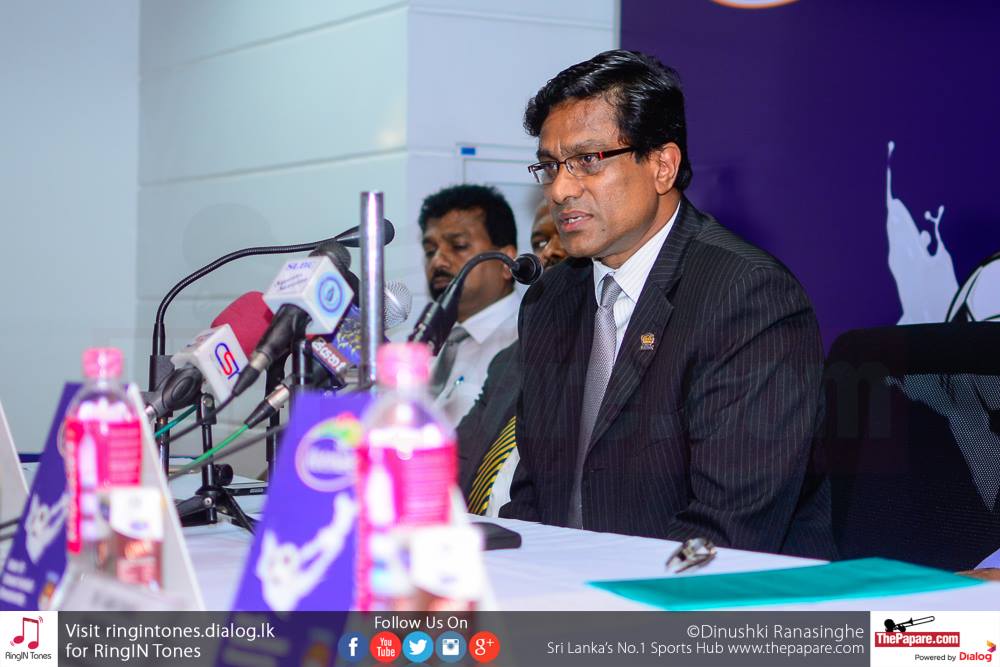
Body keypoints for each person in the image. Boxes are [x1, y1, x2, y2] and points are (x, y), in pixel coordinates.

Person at [502, 50, 834, 558]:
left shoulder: (748, 295)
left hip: (705, 594)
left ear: (662, 166)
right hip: (561, 586)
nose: (561, 189)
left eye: (588, 160)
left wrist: (592, 594)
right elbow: (534, 497)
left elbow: (727, 532)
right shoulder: (550, 299)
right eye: (550, 166)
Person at [459, 204, 566, 516]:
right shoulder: (509, 360)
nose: (549, 252)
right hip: (475, 531)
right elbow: (458, 455)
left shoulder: (601, 355)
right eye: (540, 242)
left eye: (564, 234)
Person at [419, 184, 519, 426]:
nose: (438, 261)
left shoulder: (525, 339)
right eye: (430, 250)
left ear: (506, 262)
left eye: (459, 246)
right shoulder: (423, 340)